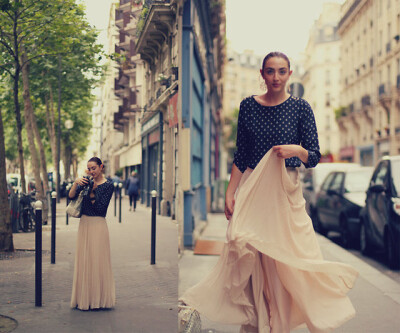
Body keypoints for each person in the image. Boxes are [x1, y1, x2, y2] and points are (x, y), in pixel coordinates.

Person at [179, 52, 358, 333]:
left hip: (285, 193)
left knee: (286, 263)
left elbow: (313, 156)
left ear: (290, 74)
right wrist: (230, 191)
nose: (276, 77)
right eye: (271, 71)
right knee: (250, 253)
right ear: (262, 73)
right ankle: (259, 323)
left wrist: (295, 150)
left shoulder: (301, 108)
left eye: (282, 71)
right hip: (252, 188)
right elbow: (242, 154)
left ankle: (278, 325)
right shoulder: (248, 106)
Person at [68, 157, 116, 310]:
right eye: (89, 169)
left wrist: (93, 190)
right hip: (85, 224)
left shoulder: (108, 185)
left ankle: (97, 300)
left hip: (98, 225)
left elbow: (100, 209)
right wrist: (76, 183)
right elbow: (70, 196)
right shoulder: (86, 182)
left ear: (101, 167)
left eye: (94, 168)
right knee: (84, 261)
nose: (91, 171)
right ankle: (83, 298)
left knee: (97, 261)